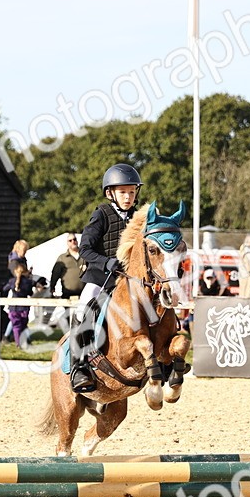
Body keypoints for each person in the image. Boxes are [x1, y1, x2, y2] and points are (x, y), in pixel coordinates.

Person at [69, 163, 142, 393]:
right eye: (123, 192)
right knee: (83, 308)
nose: (128, 197)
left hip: (129, 280)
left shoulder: (140, 218)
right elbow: (85, 249)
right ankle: (79, 367)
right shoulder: (101, 214)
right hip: (101, 277)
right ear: (111, 193)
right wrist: (105, 261)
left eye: (132, 192)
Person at [48, 233, 84, 327]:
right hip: (68, 294)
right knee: (70, 320)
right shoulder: (62, 258)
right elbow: (55, 273)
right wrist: (52, 287)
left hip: (84, 293)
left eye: (74, 239)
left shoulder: (84, 255)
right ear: (67, 243)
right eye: (70, 240)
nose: (73, 242)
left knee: (83, 318)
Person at [1, 261, 34, 348]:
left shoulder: (12, 281)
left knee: (16, 326)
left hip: (14, 308)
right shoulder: (28, 282)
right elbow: (30, 293)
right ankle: (27, 341)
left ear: (15, 271)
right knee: (24, 325)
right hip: (24, 308)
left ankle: (18, 343)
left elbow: (4, 289)